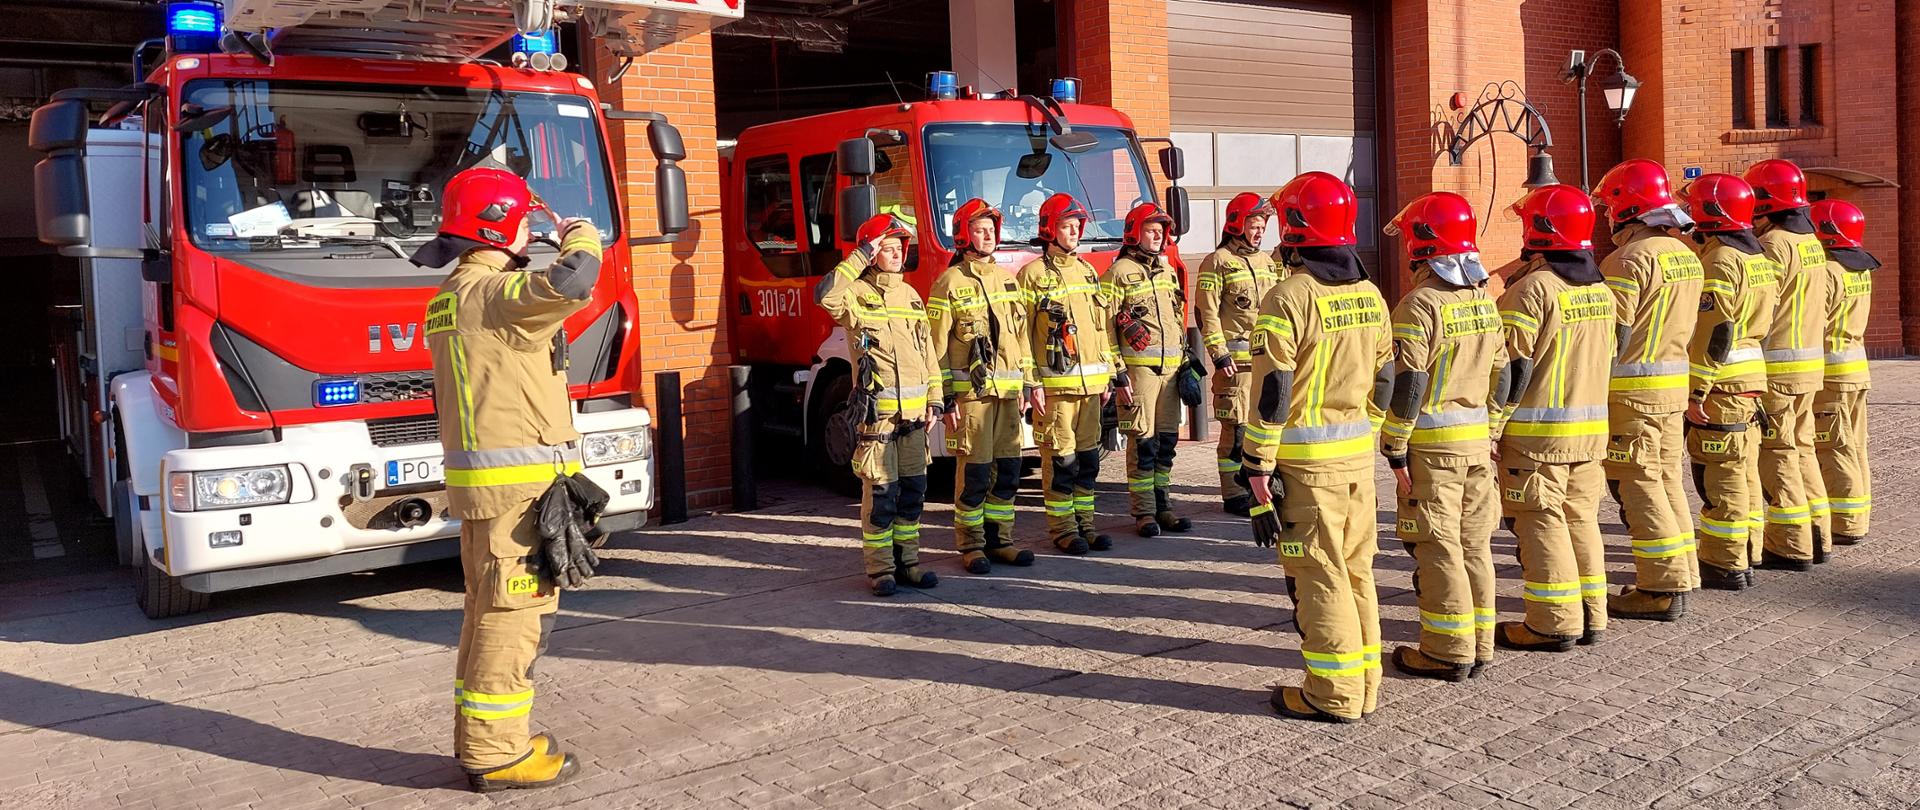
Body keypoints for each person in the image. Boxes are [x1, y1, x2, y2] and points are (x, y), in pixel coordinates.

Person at [414, 167, 600, 792]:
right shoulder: (493, 293)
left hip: (493, 493)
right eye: (523, 219)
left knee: (487, 613)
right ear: (500, 223)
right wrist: (580, 233)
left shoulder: (453, 294)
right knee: (513, 618)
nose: (529, 230)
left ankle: (487, 740)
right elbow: (575, 278)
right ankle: (497, 754)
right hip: (517, 496)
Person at [1241, 171, 1392, 722]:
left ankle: (1332, 694)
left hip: (1307, 471)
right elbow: (1387, 381)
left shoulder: (1287, 297)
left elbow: (1273, 392)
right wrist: (1364, 430)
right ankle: (1366, 683)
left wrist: (1255, 466)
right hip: (1355, 461)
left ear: (1295, 228)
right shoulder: (1371, 295)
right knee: (1356, 572)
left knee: (1318, 575)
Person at [1378, 192, 1505, 681]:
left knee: (1437, 545)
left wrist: (1394, 446)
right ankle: (1482, 643)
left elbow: (1409, 382)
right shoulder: (1483, 301)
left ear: (1420, 242)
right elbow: (1505, 372)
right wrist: (1492, 427)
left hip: (1433, 450)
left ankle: (1447, 649)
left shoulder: (1420, 305)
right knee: (1475, 544)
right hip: (1475, 444)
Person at [1492, 184, 1615, 653]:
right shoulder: (1600, 288)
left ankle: (1552, 623)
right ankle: (1592, 615)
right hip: (1589, 434)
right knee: (1580, 520)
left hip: (1536, 438)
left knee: (1540, 523)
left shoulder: (1532, 291)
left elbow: (1512, 369)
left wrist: (1493, 429)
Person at [1591, 159, 1704, 621]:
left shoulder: (1627, 260)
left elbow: (1612, 333)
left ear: (1626, 207)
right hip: (1673, 390)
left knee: (1638, 485)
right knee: (1665, 480)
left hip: (1633, 394)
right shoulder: (1685, 255)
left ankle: (1660, 587)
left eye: (1608, 206)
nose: (1605, 216)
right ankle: (1684, 572)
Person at [816, 214, 945, 595]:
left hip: (915, 419)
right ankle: (881, 570)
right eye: (886, 249)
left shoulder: (910, 296)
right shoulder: (855, 294)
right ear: (873, 253)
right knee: (881, 496)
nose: (894, 255)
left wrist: (935, 400)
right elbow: (825, 295)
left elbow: (928, 355)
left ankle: (909, 564)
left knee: (913, 493)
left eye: (897, 249)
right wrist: (860, 255)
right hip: (879, 420)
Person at [929, 198, 1037, 574]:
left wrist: (1029, 384)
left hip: (1008, 396)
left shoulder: (1007, 280)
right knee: (974, 474)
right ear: (964, 235)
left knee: (1007, 472)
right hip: (971, 398)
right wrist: (944, 397)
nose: (988, 235)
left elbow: (1021, 338)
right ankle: (971, 546)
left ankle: (1001, 541)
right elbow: (936, 347)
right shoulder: (949, 282)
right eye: (979, 229)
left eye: (991, 229)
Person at [1680, 174, 1776, 590]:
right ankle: (1748, 550)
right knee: (1744, 472)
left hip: (1721, 386)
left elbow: (1714, 330)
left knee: (1721, 477)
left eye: (1693, 207)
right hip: (1749, 381)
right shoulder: (1756, 257)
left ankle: (1725, 562)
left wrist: (1696, 390)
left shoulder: (1721, 260)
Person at [1019, 194, 1122, 554]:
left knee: (1089, 461)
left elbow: (1100, 329)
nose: (1075, 231)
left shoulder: (1088, 271)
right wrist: (1031, 383)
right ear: (1050, 230)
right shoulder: (1031, 275)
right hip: (1055, 390)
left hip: (1092, 388)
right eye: (1067, 226)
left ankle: (1087, 526)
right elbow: (1023, 336)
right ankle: (1063, 530)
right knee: (1061, 461)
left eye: (1078, 225)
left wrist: (1108, 374)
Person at [1744, 159, 1829, 570]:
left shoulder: (1776, 244)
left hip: (1778, 369)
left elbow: (1761, 299)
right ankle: (1818, 535)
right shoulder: (1810, 242)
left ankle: (1791, 545)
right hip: (1809, 366)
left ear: (1763, 203)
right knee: (1802, 448)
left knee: (1776, 452)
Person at [1101, 203, 1195, 537]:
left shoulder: (1168, 271)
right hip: (1139, 374)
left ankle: (1163, 507)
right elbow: (1105, 327)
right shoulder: (1117, 273)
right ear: (1134, 233)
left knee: (1166, 443)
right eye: (1151, 231)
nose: (1158, 237)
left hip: (1170, 373)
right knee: (1142, 443)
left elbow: (1175, 319)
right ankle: (1144, 513)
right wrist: (1118, 372)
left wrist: (1186, 363)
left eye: (1161, 232)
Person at [1195, 192, 1282, 516]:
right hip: (1235, 365)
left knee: (1264, 426)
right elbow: (1207, 313)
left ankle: (1261, 484)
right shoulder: (1217, 262)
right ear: (1237, 224)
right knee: (1236, 429)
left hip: (1266, 360)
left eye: (1263, 226)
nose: (1259, 232)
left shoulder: (1267, 263)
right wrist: (1218, 354)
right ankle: (1234, 493)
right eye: (1254, 225)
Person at [1809, 199, 1880, 547]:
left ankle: (1846, 523)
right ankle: (1857, 515)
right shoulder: (1858, 269)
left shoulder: (1827, 272)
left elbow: (1811, 321)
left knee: (1833, 447)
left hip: (1831, 374)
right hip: (1856, 368)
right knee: (1855, 446)